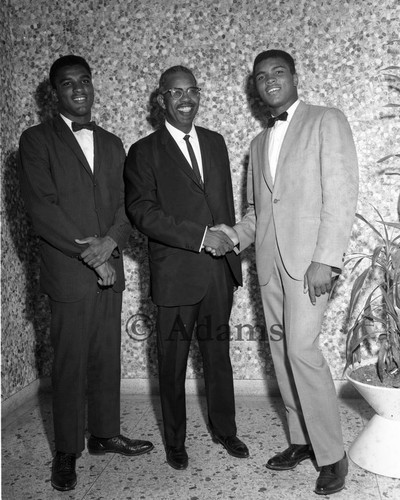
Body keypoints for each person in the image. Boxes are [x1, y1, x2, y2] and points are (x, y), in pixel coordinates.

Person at [213, 50, 359, 495]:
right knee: (281, 355)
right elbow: (258, 212)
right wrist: (234, 235)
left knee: (301, 351)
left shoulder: (326, 120)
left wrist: (326, 260)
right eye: (261, 76)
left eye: (278, 72)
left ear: (295, 77)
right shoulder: (258, 145)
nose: (269, 80)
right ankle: (301, 439)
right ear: (254, 88)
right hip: (270, 268)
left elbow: (341, 194)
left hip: (309, 264)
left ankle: (332, 455)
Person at [18, 55, 153, 492]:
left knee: (105, 357)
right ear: (54, 93)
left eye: (84, 81)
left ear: (93, 86)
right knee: (70, 363)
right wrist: (93, 255)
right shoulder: (36, 140)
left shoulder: (114, 144)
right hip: (71, 272)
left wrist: (111, 244)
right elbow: (43, 211)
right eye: (67, 83)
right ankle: (66, 451)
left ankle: (104, 434)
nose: (78, 89)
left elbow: (126, 206)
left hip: (109, 263)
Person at [124, 65, 249, 470]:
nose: (186, 99)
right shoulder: (144, 151)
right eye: (176, 92)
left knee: (218, 356)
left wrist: (229, 248)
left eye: (192, 90)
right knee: (172, 362)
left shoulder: (215, 142)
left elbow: (224, 203)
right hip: (177, 273)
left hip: (217, 272)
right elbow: (142, 212)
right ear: (161, 99)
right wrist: (200, 236)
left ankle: (225, 429)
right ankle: (175, 441)